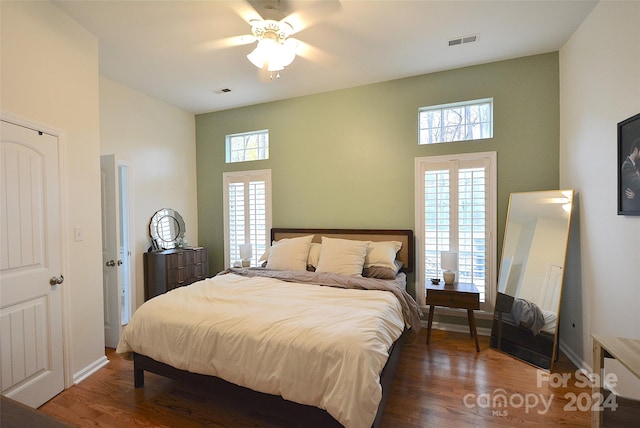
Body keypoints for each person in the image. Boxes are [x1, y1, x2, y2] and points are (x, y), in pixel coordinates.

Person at [621, 137, 640, 212]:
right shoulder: (627, 165)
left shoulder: (634, 166)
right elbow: (637, 184)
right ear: (636, 150)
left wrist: (636, 195)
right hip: (630, 208)